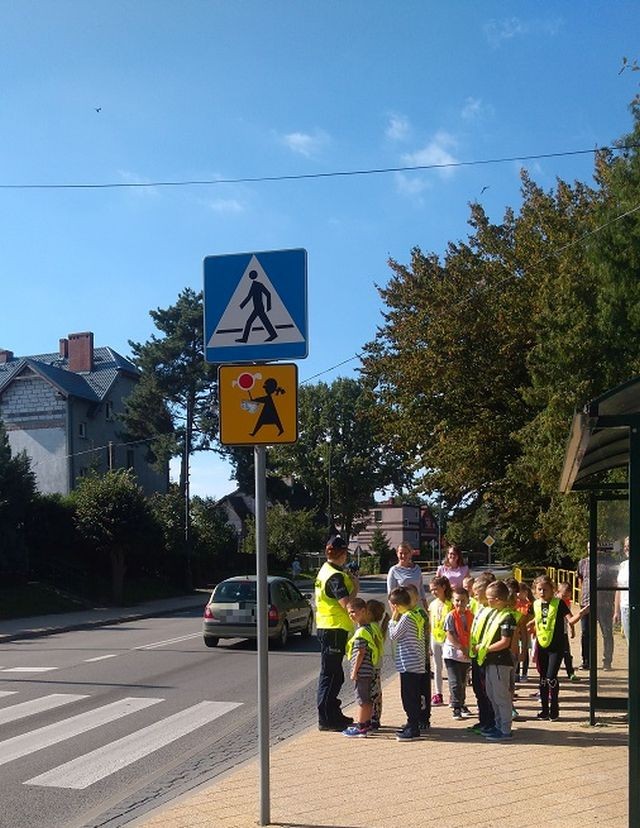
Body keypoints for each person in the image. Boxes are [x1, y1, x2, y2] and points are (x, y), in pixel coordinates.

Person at [315, 535, 359, 731]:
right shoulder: (334, 576)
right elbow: (347, 605)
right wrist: (356, 587)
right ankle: (326, 718)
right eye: (345, 554)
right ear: (341, 554)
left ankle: (333, 714)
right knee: (331, 675)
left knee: (334, 675)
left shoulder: (326, 570)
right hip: (333, 629)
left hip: (330, 627)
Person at [528, 575, 576, 721]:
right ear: (535, 591)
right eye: (539, 589)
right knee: (542, 679)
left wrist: (582, 613)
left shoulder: (559, 603)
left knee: (551, 677)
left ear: (552, 590)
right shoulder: (535, 604)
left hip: (556, 646)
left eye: (545, 589)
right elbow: (533, 619)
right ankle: (544, 710)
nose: (542, 592)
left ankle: (554, 709)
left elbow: (570, 619)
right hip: (541, 645)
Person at [475, 580, 517, 741]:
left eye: (489, 597)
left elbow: (505, 642)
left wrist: (485, 648)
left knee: (501, 696)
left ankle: (505, 729)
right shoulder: (495, 613)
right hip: (490, 661)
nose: (487, 600)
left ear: (498, 599)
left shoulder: (507, 617)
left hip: (500, 662)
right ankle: (498, 725)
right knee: (492, 695)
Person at [388, 586, 427, 741]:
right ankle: (413, 722)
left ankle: (413, 727)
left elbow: (394, 635)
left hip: (408, 664)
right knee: (413, 695)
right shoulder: (416, 615)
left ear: (396, 606)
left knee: (408, 697)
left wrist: (392, 619)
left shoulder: (405, 617)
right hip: (416, 661)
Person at [342, 597, 381, 737]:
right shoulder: (370, 628)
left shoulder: (361, 632)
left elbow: (360, 652)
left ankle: (361, 726)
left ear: (363, 611)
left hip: (362, 671)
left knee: (361, 699)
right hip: (369, 669)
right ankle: (368, 723)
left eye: (353, 612)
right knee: (367, 698)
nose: (351, 615)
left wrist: (354, 671)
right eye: (349, 613)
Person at [577, 544, 616, 670]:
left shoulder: (606, 564)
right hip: (586, 603)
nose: (592, 550)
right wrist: (581, 598)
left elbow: (613, 582)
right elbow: (581, 580)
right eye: (589, 547)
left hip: (604, 604)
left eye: (594, 548)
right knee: (585, 633)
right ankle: (586, 661)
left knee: (606, 632)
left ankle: (607, 661)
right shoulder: (582, 563)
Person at [466, 572, 496, 736]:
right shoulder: (481, 608)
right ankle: (483, 719)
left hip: (485, 656)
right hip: (476, 654)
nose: (474, 597)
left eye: (477, 594)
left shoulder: (492, 611)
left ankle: (490, 721)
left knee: (486, 691)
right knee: (478, 689)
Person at [443, 587, 473, 719]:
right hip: (453, 654)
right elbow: (449, 634)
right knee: (455, 682)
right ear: (452, 601)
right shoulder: (450, 616)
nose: (459, 603)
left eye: (462, 601)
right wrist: (461, 647)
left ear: (467, 601)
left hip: (466, 655)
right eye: (457, 600)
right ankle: (455, 706)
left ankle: (462, 703)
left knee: (462, 681)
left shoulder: (470, 615)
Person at [406, 584, 431, 731]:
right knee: (411, 692)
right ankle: (414, 717)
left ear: (417, 598)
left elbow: (424, 636)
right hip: (410, 660)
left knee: (422, 690)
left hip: (420, 659)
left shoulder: (419, 613)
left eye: (410, 597)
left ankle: (423, 717)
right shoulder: (407, 613)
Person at [428, 575, 453, 706]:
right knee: (437, 666)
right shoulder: (432, 604)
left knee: (450, 667)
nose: (433, 592)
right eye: (431, 590)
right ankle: (438, 693)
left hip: (448, 639)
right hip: (435, 638)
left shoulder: (451, 604)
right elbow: (430, 623)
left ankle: (452, 694)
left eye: (435, 589)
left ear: (444, 587)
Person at [366, 599, 389, 730]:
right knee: (377, 692)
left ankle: (372, 719)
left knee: (371, 693)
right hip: (377, 664)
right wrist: (386, 621)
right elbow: (383, 635)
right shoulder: (376, 627)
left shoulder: (370, 628)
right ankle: (376, 717)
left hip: (371, 665)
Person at [386, 542, 427, 608]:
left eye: (406, 553)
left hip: (417, 607)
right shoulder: (393, 570)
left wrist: (425, 606)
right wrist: (395, 613)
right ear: (397, 554)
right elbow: (391, 595)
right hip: (403, 607)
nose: (403, 556)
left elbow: (421, 589)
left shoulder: (417, 568)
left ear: (410, 554)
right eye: (401, 553)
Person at [556, 582, 578, 682]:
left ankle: (571, 672)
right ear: (558, 592)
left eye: (568, 596)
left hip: (563, 632)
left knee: (567, 654)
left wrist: (572, 629)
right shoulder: (554, 602)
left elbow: (570, 617)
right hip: (553, 633)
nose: (565, 598)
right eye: (564, 596)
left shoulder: (567, 603)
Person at [614, 536, 630, 643]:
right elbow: (618, 589)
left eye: (629, 546)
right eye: (625, 546)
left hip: (636, 608)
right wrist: (616, 611)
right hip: (625, 608)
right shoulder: (623, 565)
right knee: (630, 641)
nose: (626, 549)